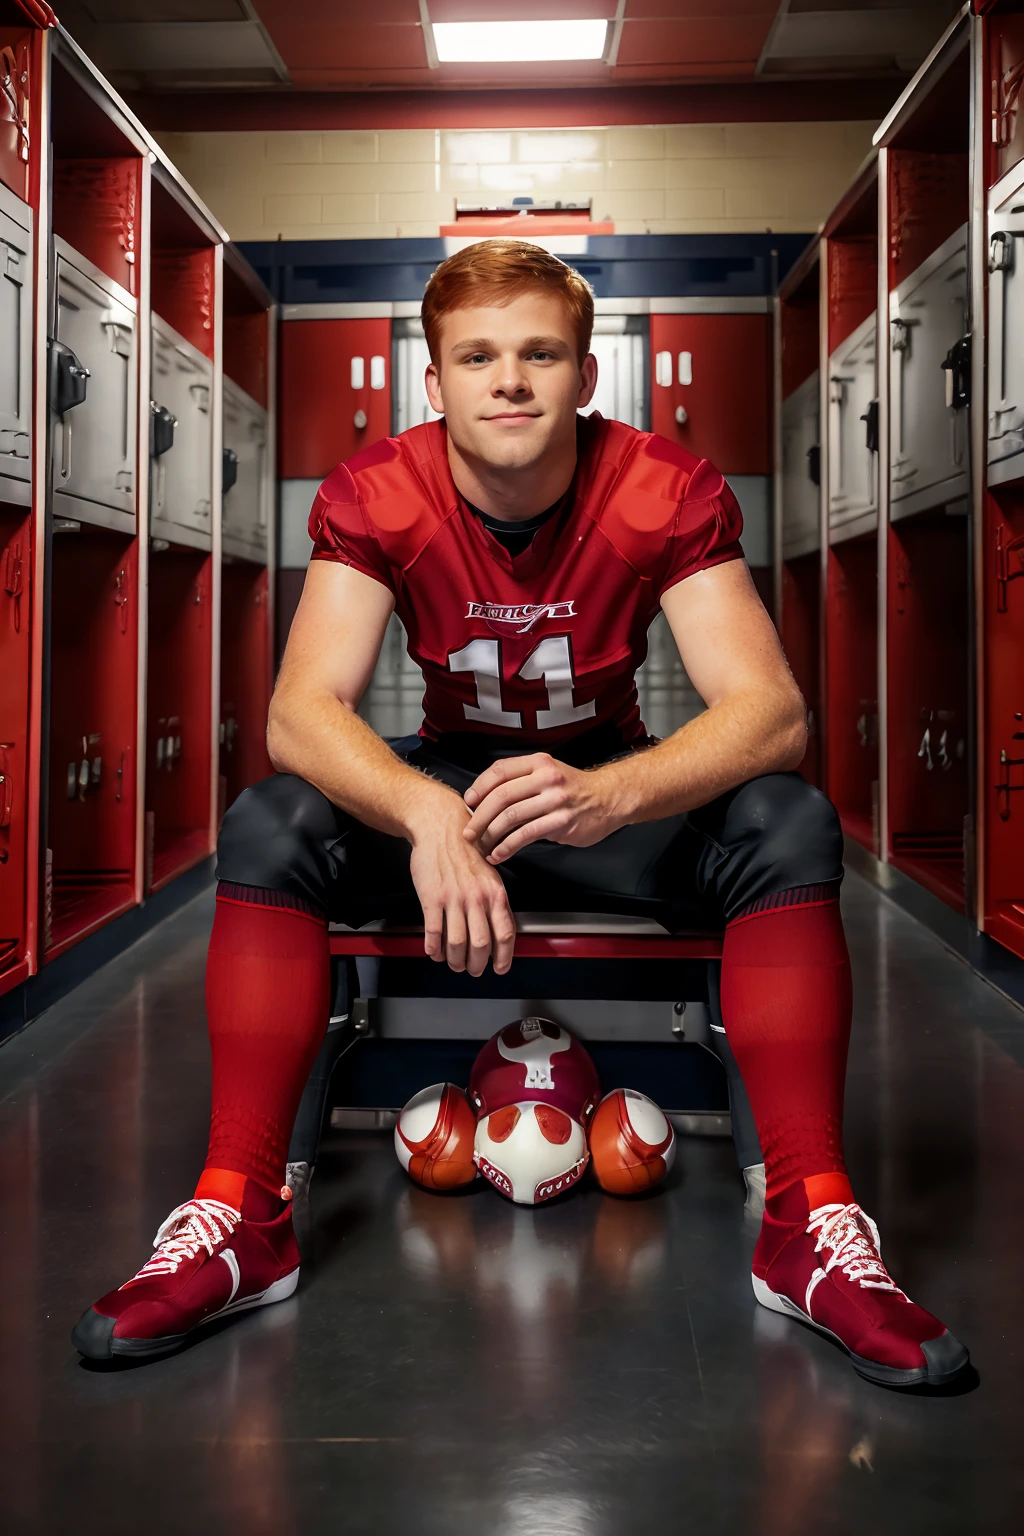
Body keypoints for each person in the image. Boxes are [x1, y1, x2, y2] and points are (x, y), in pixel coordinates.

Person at [73, 239, 968, 1387]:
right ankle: (241, 1212)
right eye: (479, 356)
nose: (511, 380)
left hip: (605, 795)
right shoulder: (380, 488)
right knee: (270, 822)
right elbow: (302, 713)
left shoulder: (660, 485)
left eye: (540, 352)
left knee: (785, 820)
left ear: (583, 375)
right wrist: (425, 816)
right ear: (434, 383)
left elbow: (770, 713)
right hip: (450, 783)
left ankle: (810, 1228)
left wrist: (610, 793)